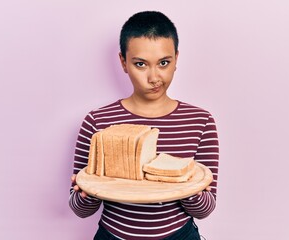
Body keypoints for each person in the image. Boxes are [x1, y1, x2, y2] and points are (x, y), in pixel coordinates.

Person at [69, 11, 219, 240]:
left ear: (176, 59)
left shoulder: (201, 120)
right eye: (140, 64)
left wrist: (185, 183)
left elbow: (206, 209)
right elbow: (80, 210)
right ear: (123, 62)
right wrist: (88, 190)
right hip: (113, 236)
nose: (154, 77)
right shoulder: (97, 121)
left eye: (164, 63)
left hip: (180, 235)